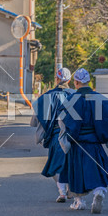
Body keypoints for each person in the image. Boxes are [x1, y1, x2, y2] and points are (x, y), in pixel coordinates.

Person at [58, 68, 108, 214]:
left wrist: (65, 138)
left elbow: (63, 121)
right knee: (97, 171)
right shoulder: (100, 99)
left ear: (76, 82)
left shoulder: (71, 100)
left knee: (77, 173)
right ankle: (99, 192)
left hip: (77, 143)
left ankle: (79, 202)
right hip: (94, 142)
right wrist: (104, 135)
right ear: (88, 81)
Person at [30, 68, 75, 202]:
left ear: (56, 79)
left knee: (55, 164)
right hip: (74, 135)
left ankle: (62, 192)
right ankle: (71, 189)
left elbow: (35, 120)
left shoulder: (46, 96)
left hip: (56, 134)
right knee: (72, 162)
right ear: (70, 80)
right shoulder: (76, 95)